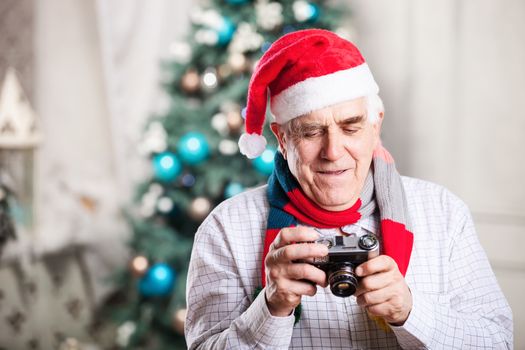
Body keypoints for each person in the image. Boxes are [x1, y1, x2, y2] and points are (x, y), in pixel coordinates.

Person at [185, 29, 513, 349]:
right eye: (312, 132)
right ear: (282, 140)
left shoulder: (443, 212)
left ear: (376, 124)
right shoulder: (226, 229)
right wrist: (271, 308)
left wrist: (410, 311)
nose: (334, 152)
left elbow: (498, 341)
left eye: (350, 127)